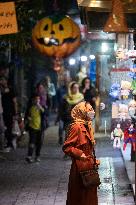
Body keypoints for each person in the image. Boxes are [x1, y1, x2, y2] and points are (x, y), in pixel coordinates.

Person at [63, 101, 99, 205]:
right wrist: (80, 154)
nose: (92, 112)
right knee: (79, 197)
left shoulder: (88, 125)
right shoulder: (76, 127)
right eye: (89, 110)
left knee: (90, 196)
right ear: (82, 111)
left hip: (89, 166)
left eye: (92, 109)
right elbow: (67, 147)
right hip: (79, 168)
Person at [25, 95, 44, 163]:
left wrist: (40, 107)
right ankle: (29, 156)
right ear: (33, 100)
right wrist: (28, 118)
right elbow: (26, 115)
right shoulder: (30, 107)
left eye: (38, 99)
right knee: (32, 142)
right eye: (35, 99)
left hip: (40, 128)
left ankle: (37, 156)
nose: (37, 100)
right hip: (32, 127)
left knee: (39, 143)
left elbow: (45, 114)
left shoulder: (42, 107)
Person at [0, 77, 18, 152]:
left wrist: (16, 113)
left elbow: (14, 102)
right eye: (0, 80)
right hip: (2, 111)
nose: (1, 81)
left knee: (9, 127)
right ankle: (8, 143)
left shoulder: (10, 89)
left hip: (9, 111)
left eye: (2, 80)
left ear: (6, 81)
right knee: (5, 128)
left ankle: (9, 144)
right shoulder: (1, 90)